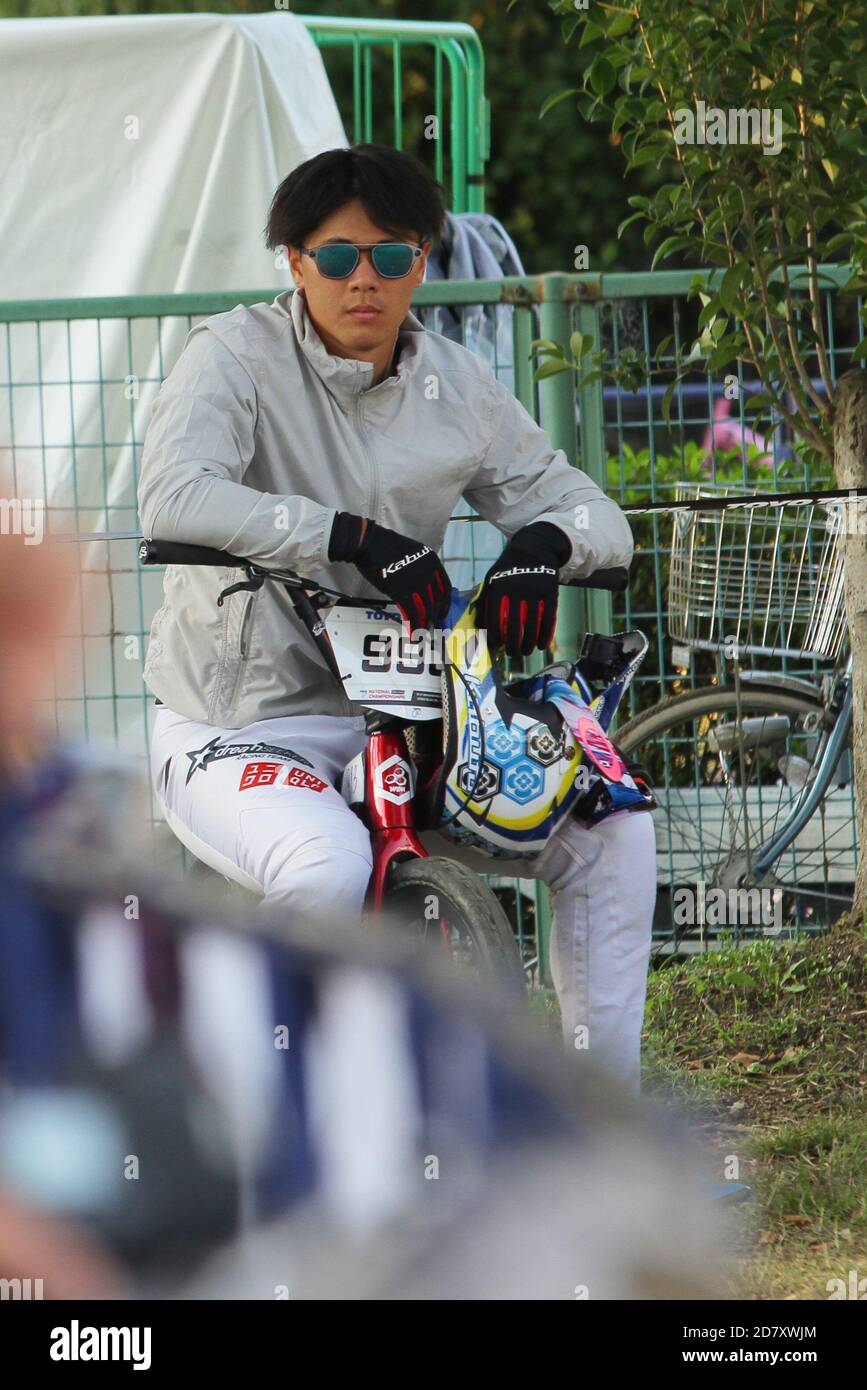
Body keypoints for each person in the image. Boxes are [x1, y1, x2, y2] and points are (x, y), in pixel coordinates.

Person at [137, 143, 657, 1092]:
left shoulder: (455, 383)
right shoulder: (232, 357)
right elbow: (172, 497)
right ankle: (254, 1118)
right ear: (294, 262)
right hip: (238, 727)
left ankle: (601, 1122)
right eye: (337, 257)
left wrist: (543, 549)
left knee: (609, 831)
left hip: (411, 725)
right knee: (325, 866)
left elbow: (589, 511)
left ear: (424, 261)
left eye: (392, 255)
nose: (363, 279)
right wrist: (346, 536)